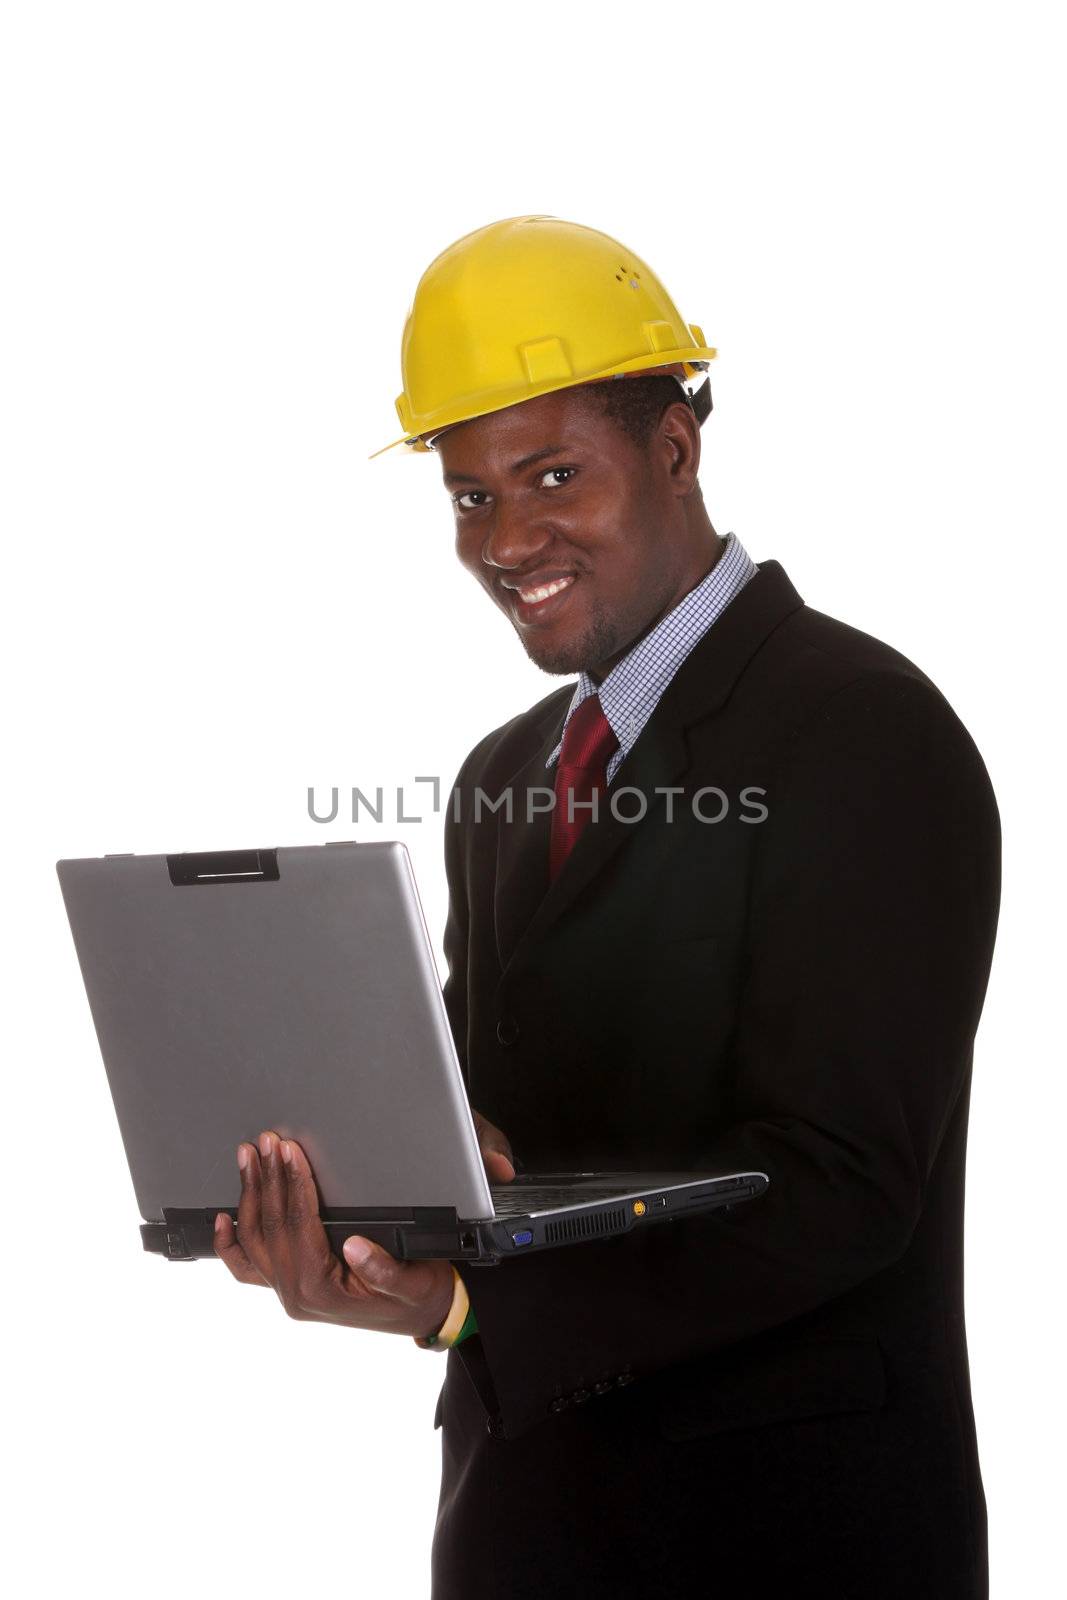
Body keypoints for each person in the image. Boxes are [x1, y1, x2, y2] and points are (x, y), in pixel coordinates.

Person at [214, 216, 1001, 1598]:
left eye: (553, 475)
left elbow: (843, 1186)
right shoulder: (506, 779)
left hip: (783, 1542)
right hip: (527, 1532)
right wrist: (381, 1200)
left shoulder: (864, 732)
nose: (509, 539)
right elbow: (506, 1138)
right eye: (469, 497)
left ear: (677, 453)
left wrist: (477, 1308)